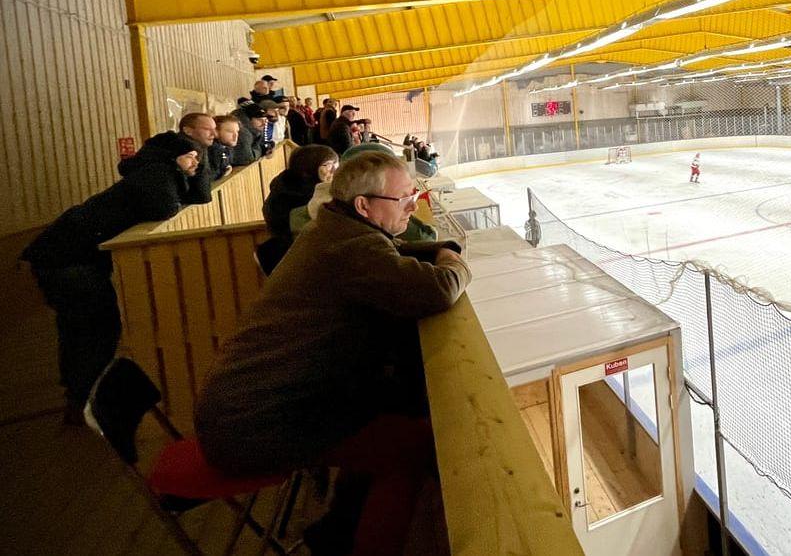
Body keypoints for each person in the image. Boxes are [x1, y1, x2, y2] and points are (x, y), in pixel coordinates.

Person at [194, 154, 470, 556]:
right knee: (410, 447)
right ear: (364, 206)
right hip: (251, 427)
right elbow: (440, 289)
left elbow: (392, 253)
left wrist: (438, 247)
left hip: (246, 410)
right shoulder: (350, 246)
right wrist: (454, 259)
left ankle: (338, 531)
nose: (413, 206)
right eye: (404, 198)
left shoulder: (334, 228)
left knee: (383, 413)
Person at [21, 135, 203, 424]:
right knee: (93, 327)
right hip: (68, 258)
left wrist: (193, 173)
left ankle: (80, 397)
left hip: (66, 254)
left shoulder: (156, 171)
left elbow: (198, 196)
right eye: (191, 156)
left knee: (83, 328)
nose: (197, 161)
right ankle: (85, 401)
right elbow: (164, 207)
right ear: (172, 157)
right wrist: (187, 178)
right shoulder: (156, 173)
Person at [120, 116, 216, 206]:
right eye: (207, 129)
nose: (214, 134)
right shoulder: (176, 148)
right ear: (188, 131)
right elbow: (202, 195)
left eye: (214, 129)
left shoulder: (194, 148)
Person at [263, 145, 339, 239]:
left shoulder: (318, 190)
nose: (334, 170)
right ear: (308, 169)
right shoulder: (285, 198)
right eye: (328, 165)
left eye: (335, 163)